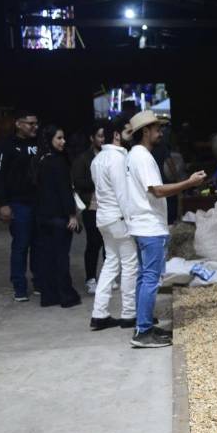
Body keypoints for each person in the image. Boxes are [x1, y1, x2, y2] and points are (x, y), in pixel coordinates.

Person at [125, 110, 207, 348]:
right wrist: (189, 183)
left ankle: (144, 324)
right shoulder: (143, 157)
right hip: (149, 226)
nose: (160, 132)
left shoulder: (135, 154)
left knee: (144, 278)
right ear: (144, 132)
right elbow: (158, 190)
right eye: (156, 129)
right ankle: (143, 333)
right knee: (151, 279)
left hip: (141, 224)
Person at [89, 115, 139, 331]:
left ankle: (99, 314)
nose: (130, 136)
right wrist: (133, 221)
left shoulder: (97, 159)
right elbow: (122, 194)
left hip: (103, 218)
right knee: (129, 264)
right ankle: (129, 314)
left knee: (111, 263)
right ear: (117, 135)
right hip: (119, 218)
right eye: (128, 132)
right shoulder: (118, 159)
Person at [0, 108, 42, 301]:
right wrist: (3, 204)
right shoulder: (6, 146)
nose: (34, 127)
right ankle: (19, 286)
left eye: (36, 123)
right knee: (21, 245)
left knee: (39, 245)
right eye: (31, 123)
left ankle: (39, 281)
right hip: (18, 203)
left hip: (38, 202)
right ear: (18, 124)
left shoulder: (39, 144)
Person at [32, 124, 81, 308]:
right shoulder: (58, 162)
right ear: (50, 140)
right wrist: (72, 215)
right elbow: (64, 191)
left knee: (47, 257)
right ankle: (65, 295)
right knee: (61, 257)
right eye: (59, 138)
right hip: (59, 217)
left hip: (43, 217)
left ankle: (49, 295)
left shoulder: (40, 160)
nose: (63, 142)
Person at [72, 123, 106, 295]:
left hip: (109, 205)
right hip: (92, 206)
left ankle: (108, 277)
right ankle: (91, 278)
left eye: (104, 136)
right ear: (92, 138)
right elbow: (78, 182)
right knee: (93, 242)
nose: (103, 139)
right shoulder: (83, 158)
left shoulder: (111, 155)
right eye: (99, 136)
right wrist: (100, 179)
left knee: (110, 243)